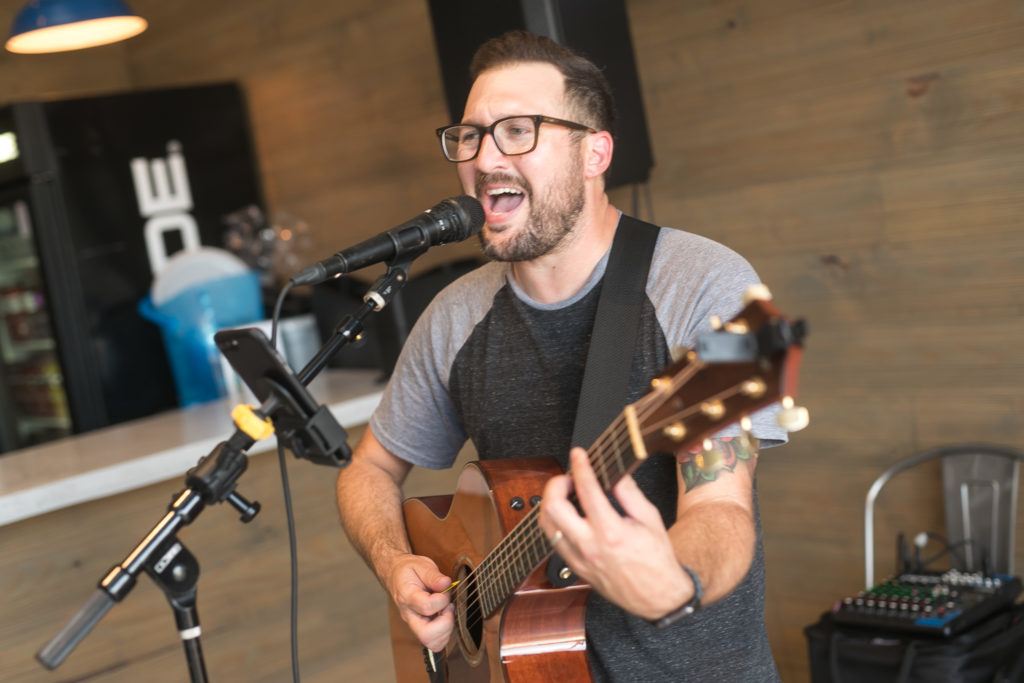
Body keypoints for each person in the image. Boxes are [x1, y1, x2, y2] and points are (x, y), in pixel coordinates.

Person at [336, 30, 786, 681]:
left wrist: (675, 581)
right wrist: (396, 565)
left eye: (518, 131)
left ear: (594, 152)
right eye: (471, 135)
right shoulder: (455, 316)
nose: (485, 157)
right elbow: (368, 470)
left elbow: (722, 507)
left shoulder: (707, 284)